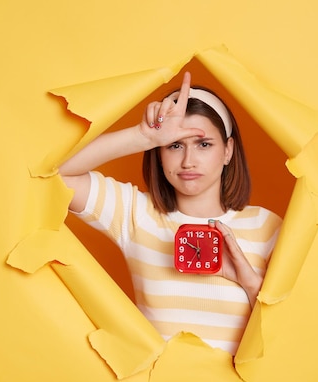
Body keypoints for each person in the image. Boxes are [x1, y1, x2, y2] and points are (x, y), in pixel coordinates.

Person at [59, 72, 281, 355]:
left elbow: (292, 338)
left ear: (228, 151)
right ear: (159, 153)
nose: (188, 161)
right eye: (175, 145)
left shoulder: (267, 227)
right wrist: (142, 136)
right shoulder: (136, 213)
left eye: (204, 144)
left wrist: (251, 285)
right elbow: (56, 173)